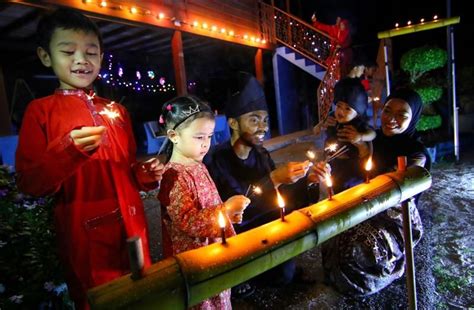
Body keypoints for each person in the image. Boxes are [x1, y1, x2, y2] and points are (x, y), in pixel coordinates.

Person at [15, 9, 164, 308]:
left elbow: (127, 170)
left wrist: (145, 176)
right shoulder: (41, 112)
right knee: (99, 301)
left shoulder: (117, 111)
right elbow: (31, 183)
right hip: (86, 238)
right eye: (68, 51)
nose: (81, 60)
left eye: (91, 52)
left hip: (134, 229)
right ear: (46, 57)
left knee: (144, 296)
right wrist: (68, 151)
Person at [310, 88, 429, 296]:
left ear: (414, 118)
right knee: (333, 228)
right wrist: (326, 170)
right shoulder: (372, 137)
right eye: (387, 110)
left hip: (394, 215)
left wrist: (364, 151)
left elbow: (392, 187)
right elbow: (349, 171)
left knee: (358, 241)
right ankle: (339, 279)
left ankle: (368, 281)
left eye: (401, 115)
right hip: (363, 203)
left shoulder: (416, 153)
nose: (391, 119)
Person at [205, 72, 314, 295]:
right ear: (233, 123)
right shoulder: (217, 159)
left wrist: (308, 180)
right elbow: (238, 211)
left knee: (285, 272)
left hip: (268, 227)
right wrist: (274, 178)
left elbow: (280, 196)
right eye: (254, 120)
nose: (263, 127)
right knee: (280, 275)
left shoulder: (261, 153)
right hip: (239, 237)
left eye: (265, 120)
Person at [157, 96, 250, 309]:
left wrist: (228, 215)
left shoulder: (197, 165)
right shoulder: (174, 176)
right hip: (194, 258)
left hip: (211, 250)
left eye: (209, 136)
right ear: (173, 135)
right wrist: (224, 210)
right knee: (204, 302)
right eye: (199, 137)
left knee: (219, 296)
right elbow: (187, 221)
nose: (206, 143)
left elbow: (210, 203)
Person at [313, 77, 375, 193]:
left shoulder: (358, 125)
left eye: (348, 109)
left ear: (357, 113)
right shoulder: (333, 118)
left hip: (350, 163)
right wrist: (318, 127)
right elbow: (319, 125)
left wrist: (360, 136)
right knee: (334, 185)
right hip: (334, 161)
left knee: (348, 187)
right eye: (339, 106)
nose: (341, 111)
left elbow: (372, 134)